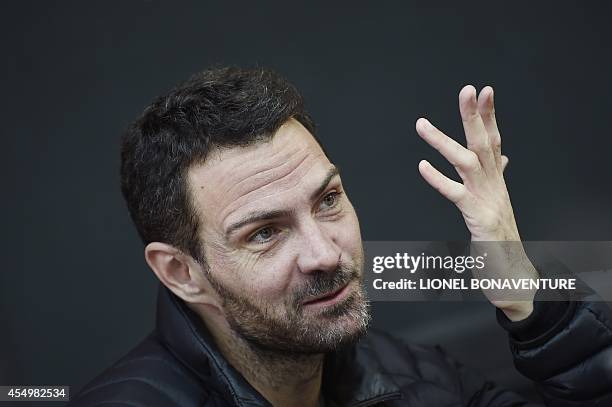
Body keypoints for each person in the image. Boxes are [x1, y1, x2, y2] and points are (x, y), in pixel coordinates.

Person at [69, 67, 612, 406]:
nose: (325, 254)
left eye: (327, 201)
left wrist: (528, 300)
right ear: (180, 272)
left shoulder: (415, 378)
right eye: (264, 233)